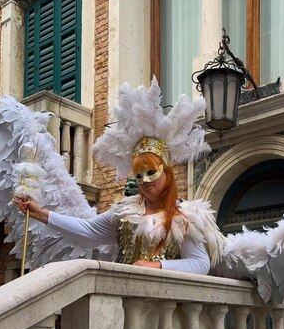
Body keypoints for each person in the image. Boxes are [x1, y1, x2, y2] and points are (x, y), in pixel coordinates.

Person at [15, 80, 225, 275]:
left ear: (167, 173)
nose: (145, 181)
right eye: (139, 175)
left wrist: (157, 265)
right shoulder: (124, 211)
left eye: (152, 172)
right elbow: (88, 228)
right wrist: (41, 214)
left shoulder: (186, 217)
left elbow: (200, 263)